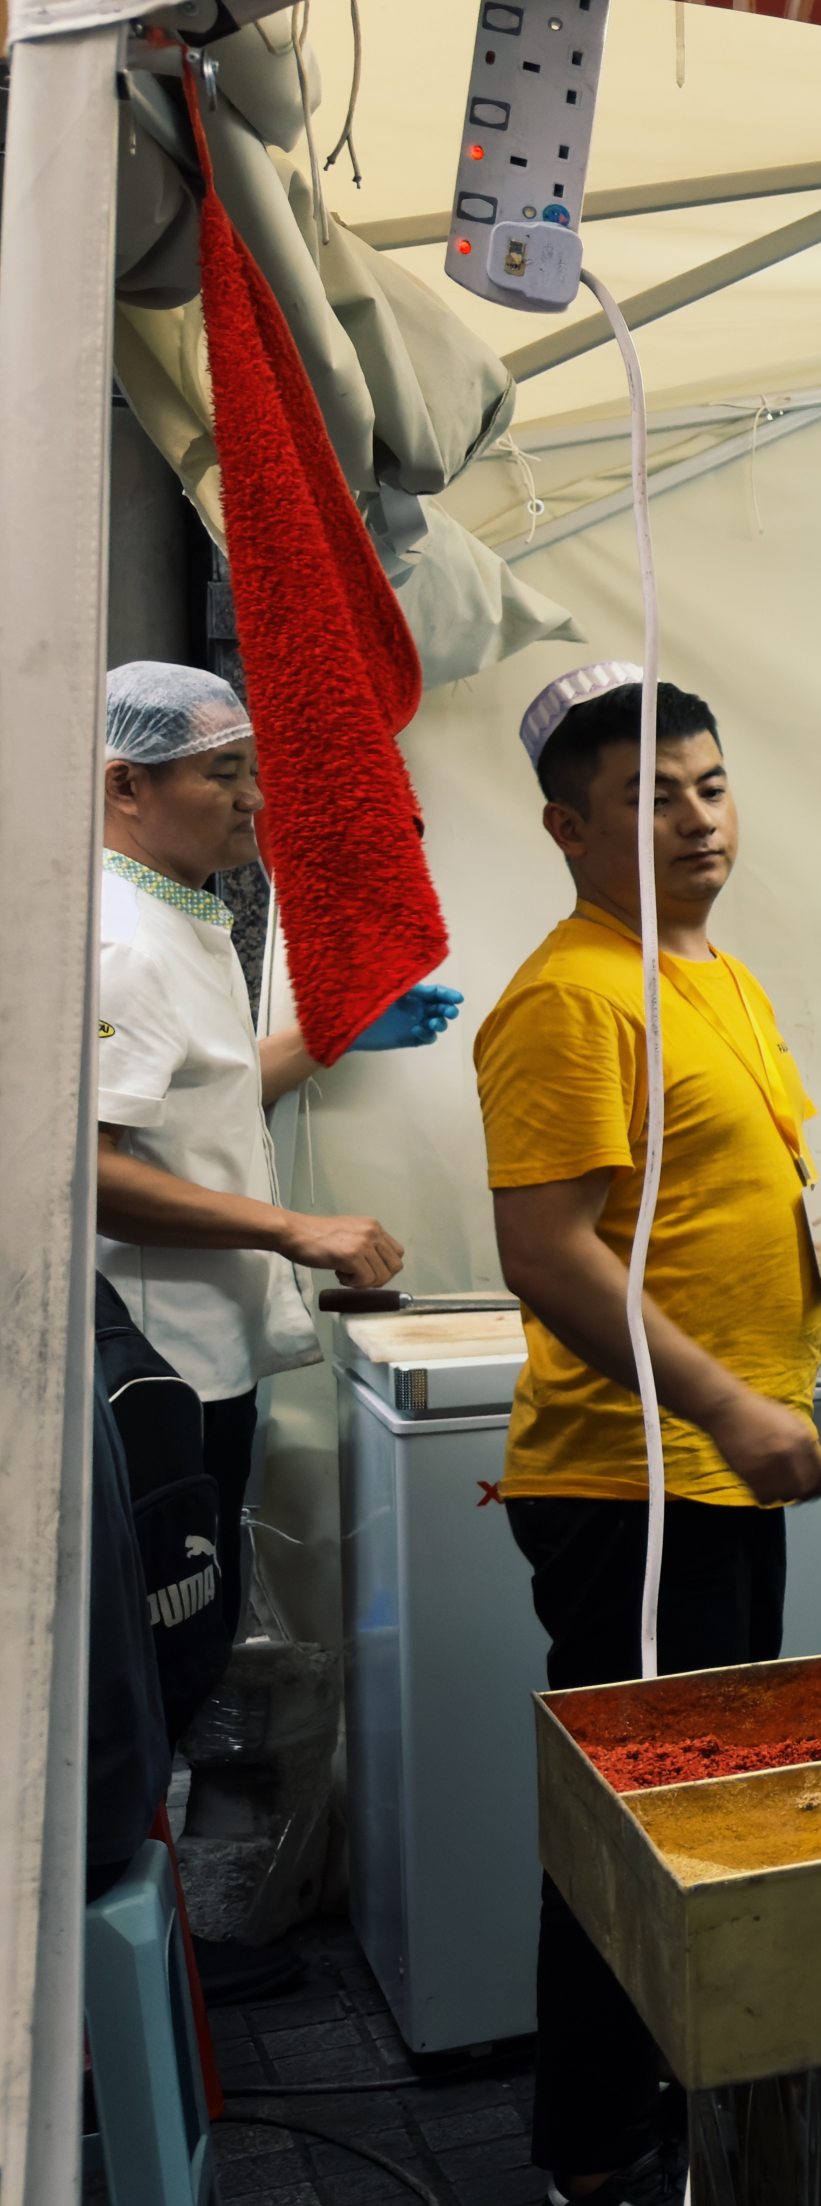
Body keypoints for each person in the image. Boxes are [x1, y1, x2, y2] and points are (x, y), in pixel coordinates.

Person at [474, 662, 821, 2206]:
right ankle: (587, 2167)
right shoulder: (571, 997)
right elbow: (547, 1254)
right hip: (634, 1483)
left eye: (708, 784)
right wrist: (735, 1405)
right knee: (639, 1831)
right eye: (647, 795)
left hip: (721, 1473)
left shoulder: (712, 974)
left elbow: (788, 1204)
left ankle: (685, 2102)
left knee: (709, 1816)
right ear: (567, 826)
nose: (691, 818)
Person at [92, 662, 458, 1736]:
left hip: (206, 1356)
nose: (256, 798)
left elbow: (199, 1098)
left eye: (255, 771)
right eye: (223, 773)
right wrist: (298, 1228)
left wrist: (325, 1035)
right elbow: (97, 1171)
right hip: (159, 1367)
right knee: (166, 1657)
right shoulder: (118, 940)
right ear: (127, 787)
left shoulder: (178, 915)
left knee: (187, 1648)